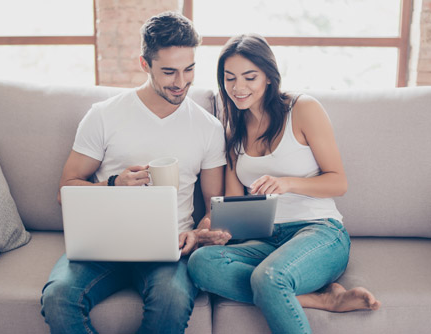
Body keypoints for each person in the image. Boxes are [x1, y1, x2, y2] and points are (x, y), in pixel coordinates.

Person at [40, 12, 231, 334]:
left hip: (169, 246)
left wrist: (198, 233)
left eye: (189, 69)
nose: (181, 82)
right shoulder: (104, 115)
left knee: (172, 300)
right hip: (103, 243)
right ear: (144, 64)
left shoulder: (208, 128)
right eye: (169, 72)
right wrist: (114, 184)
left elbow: (216, 206)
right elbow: (66, 190)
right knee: (58, 297)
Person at [187, 34, 381, 334]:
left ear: (268, 76)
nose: (239, 88)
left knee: (269, 277)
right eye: (230, 78)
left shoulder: (302, 109)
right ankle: (321, 300)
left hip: (319, 231)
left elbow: (338, 182)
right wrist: (216, 230)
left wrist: (288, 183)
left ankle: (280, 289)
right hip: (266, 240)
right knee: (201, 263)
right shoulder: (233, 131)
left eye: (249, 77)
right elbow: (234, 205)